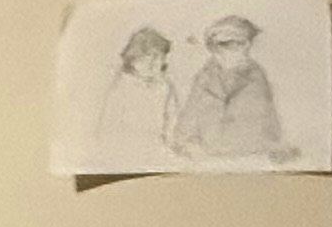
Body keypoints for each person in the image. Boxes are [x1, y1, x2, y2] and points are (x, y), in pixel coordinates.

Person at [174, 14, 288, 162]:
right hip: (208, 154)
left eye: (237, 43)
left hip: (248, 155)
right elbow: (189, 116)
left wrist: (271, 148)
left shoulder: (256, 77)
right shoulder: (204, 77)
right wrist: (187, 145)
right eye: (222, 45)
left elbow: (269, 120)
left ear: (247, 45)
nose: (230, 50)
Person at [91, 24, 178, 165]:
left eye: (158, 57)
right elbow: (107, 128)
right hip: (126, 150)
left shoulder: (165, 87)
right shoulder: (121, 87)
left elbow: (171, 122)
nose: (153, 63)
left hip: (157, 149)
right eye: (147, 57)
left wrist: (169, 146)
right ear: (133, 60)